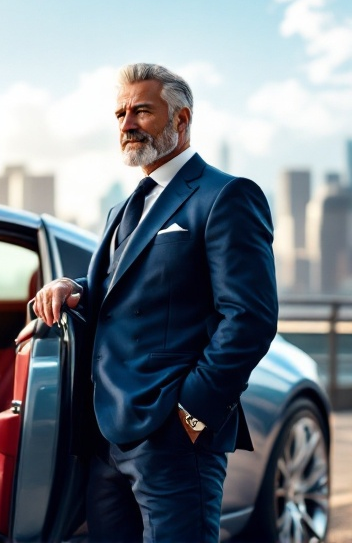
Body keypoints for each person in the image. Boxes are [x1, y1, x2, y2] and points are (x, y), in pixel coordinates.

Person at [33, 63, 278, 543]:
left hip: (173, 436)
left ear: (181, 120)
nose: (126, 124)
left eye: (142, 111)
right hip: (106, 437)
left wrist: (191, 414)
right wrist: (73, 286)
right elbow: (128, 285)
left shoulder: (226, 195)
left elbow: (250, 318)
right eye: (121, 113)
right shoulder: (124, 207)